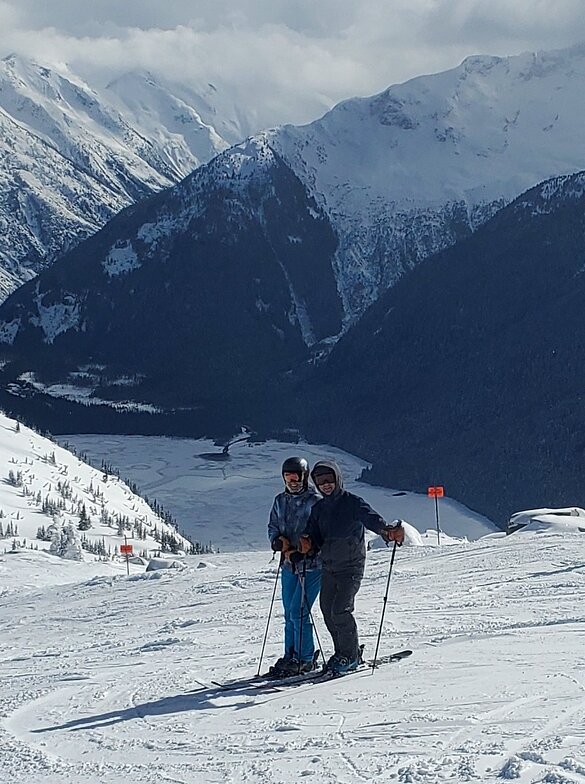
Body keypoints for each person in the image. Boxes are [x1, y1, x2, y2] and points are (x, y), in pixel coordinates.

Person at [295, 459, 404, 674]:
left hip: (351, 567)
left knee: (341, 610)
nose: (325, 485)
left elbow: (371, 519)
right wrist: (307, 544)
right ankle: (343, 652)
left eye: (329, 480)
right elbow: (314, 535)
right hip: (329, 566)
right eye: (320, 481)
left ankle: (351, 656)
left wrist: (386, 531)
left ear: (337, 479)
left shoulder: (352, 502)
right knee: (327, 611)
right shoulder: (319, 508)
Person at [267, 456, 321, 676]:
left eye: (296, 476)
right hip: (289, 564)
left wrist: (308, 548)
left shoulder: (315, 502)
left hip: (312, 565)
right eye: (288, 476)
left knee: (299, 611)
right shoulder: (280, 500)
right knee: (289, 612)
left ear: (304, 476)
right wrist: (277, 542)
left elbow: (321, 532)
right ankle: (291, 654)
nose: (293, 481)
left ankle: (306, 658)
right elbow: (273, 526)